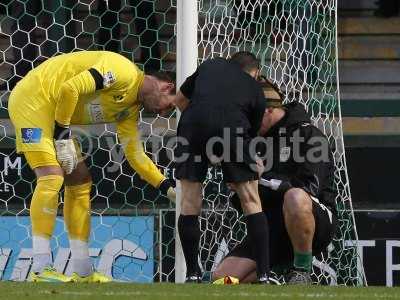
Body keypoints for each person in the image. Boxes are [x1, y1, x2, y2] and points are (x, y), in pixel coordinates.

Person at [8, 50, 176, 283]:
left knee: (80, 181)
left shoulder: (129, 109)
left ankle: (83, 271)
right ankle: (40, 268)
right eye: (170, 107)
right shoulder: (123, 71)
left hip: (56, 117)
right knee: (51, 177)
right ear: (167, 87)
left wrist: (167, 187)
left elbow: (135, 154)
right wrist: (63, 136)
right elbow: (70, 89)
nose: (164, 113)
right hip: (33, 100)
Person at [212, 79, 337, 285]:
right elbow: (245, 204)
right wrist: (242, 186)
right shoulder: (252, 143)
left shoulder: (310, 136)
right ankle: (273, 281)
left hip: (314, 221)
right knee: (223, 280)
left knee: (295, 197)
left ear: (268, 110)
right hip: (272, 226)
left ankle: (301, 270)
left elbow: (309, 188)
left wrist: (260, 178)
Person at [174, 51, 274, 283]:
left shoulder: (209, 66)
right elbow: (251, 132)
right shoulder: (255, 88)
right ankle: (265, 275)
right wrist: (242, 164)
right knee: (250, 199)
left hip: (193, 127)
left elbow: (179, 100)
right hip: (233, 130)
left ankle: (192, 274)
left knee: (189, 200)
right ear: (255, 72)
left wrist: (202, 126)